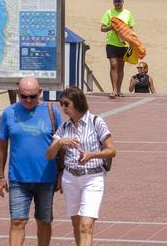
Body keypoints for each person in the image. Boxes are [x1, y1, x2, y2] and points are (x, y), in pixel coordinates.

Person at [0, 76, 61, 246]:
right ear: (17, 93)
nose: (28, 100)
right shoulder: (9, 113)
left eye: (33, 96)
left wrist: (61, 173)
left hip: (46, 178)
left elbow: (62, 145)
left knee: (44, 221)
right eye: (24, 96)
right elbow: (1, 146)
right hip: (18, 179)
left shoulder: (52, 112)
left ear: (40, 92)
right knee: (17, 221)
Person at [45, 87, 115, 246]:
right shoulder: (64, 127)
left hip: (93, 177)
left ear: (77, 103)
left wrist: (92, 155)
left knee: (86, 224)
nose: (63, 108)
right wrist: (60, 143)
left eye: (66, 104)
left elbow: (112, 150)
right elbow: (49, 154)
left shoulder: (96, 122)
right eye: (61, 104)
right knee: (77, 224)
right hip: (70, 179)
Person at [100, 0, 134, 98]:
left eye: (119, 1)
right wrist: (111, 27)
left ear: (123, 2)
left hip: (124, 44)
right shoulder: (109, 13)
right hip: (111, 43)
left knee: (121, 66)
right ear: (113, 2)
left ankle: (119, 90)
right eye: (116, 1)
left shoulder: (128, 13)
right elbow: (102, 28)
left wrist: (132, 42)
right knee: (113, 65)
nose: (117, 3)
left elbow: (131, 29)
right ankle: (114, 90)